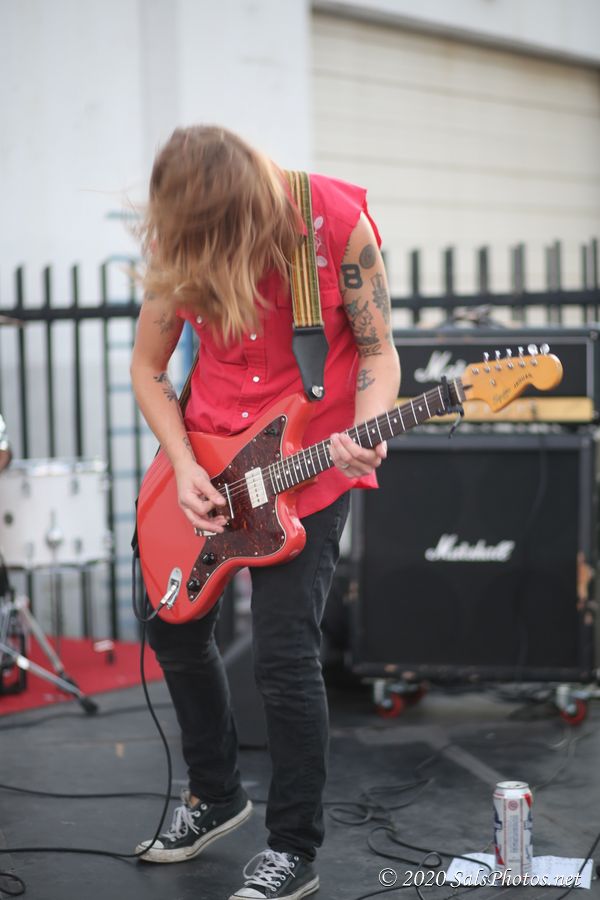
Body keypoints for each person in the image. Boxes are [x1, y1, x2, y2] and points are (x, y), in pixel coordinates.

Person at [130, 125, 401, 900]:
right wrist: (185, 465)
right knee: (171, 626)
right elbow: (148, 367)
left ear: (251, 209)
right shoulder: (184, 238)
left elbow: (378, 352)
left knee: (283, 655)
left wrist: (366, 430)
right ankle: (216, 796)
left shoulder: (335, 224)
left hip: (308, 468)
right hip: (207, 465)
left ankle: (292, 848)